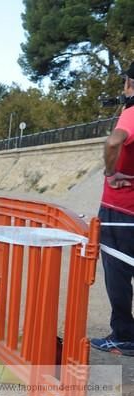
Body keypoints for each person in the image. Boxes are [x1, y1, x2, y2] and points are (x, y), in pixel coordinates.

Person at [90, 61, 134, 357]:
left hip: (121, 210)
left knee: (117, 274)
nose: (125, 89)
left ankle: (124, 336)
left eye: (128, 82)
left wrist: (109, 173)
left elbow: (112, 142)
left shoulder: (131, 113)